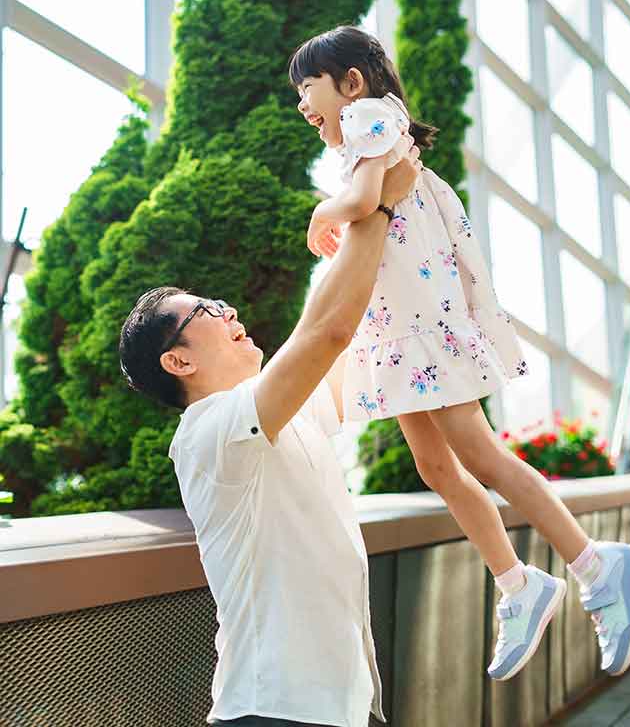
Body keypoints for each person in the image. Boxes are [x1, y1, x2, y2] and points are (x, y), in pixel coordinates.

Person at [289, 24, 630, 682]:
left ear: (350, 82)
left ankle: (596, 567)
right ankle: (518, 586)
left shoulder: (371, 118)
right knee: (435, 465)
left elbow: (366, 201)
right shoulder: (369, 133)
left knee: (476, 455)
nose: (302, 106)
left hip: (422, 326)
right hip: (404, 329)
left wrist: (322, 215)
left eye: (306, 88)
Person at [118, 146, 422, 727]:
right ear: (178, 361)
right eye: (205, 309)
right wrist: (373, 205)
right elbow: (326, 332)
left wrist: (380, 204)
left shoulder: (283, 413)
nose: (229, 310)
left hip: (346, 703)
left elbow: (342, 334)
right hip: (273, 708)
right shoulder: (209, 432)